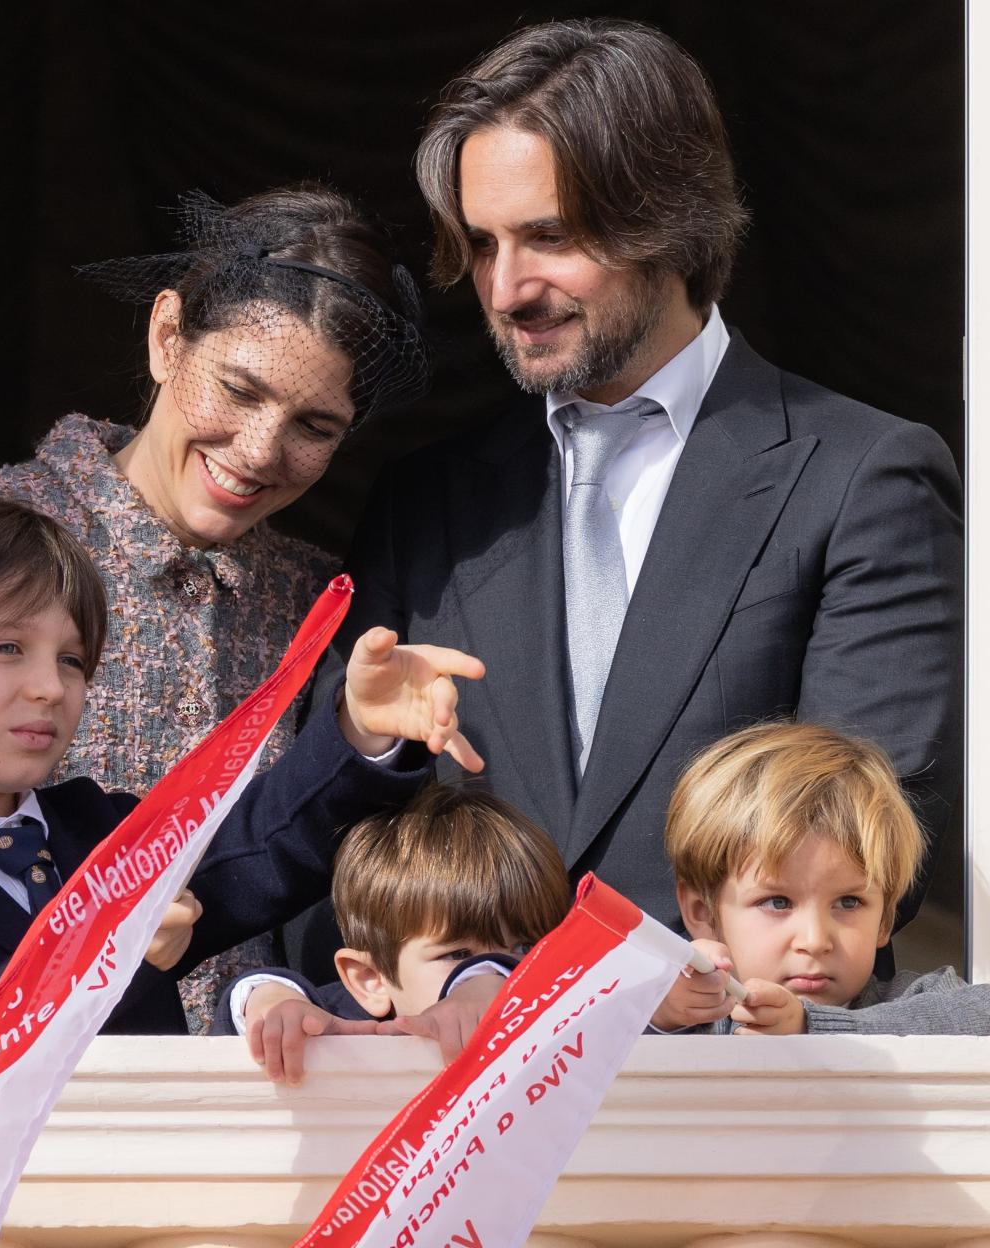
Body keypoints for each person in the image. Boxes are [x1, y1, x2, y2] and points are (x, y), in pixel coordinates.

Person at [300, 18, 962, 974]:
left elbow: (876, 838)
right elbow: (338, 834)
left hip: (731, 1089)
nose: (506, 287)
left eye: (549, 237)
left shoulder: (864, 477)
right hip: (459, 1088)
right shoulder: (428, 499)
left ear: (671, 220)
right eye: (483, 245)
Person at [0, 183, 435, 1030]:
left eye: (314, 427)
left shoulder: (321, 596)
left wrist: (362, 736)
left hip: (258, 1110)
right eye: (241, 390)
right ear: (167, 336)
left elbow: (264, 855)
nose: (260, 452)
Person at [0, 492, 482, 1036]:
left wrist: (359, 728)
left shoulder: (103, 830)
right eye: (6, 648)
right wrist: (101, 959)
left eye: (74, 660)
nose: (51, 687)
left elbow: (264, 839)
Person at [215, 785, 571, 1083]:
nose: (493, 980)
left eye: (525, 947)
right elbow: (271, 1003)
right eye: (459, 955)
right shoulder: (357, 1029)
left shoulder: (576, 1022)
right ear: (371, 980)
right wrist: (274, 1005)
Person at [652, 723, 989, 1035]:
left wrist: (811, 1027)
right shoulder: (684, 1011)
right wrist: (656, 1014)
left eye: (848, 902)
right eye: (777, 902)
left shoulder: (909, 999)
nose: (814, 941)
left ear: (885, 918)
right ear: (702, 913)